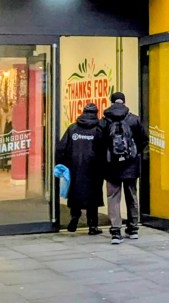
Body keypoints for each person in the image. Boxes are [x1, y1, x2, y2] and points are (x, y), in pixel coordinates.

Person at [101, 91, 148, 245]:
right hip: (131, 166)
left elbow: (99, 143)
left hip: (111, 166)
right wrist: (135, 154)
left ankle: (115, 231)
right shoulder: (134, 119)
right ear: (124, 101)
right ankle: (133, 229)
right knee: (132, 195)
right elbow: (144, 139)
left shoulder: (105, 121)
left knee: (113, 197)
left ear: (112, 102)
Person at [55, 102, 105, 235]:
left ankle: (75, 217)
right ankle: (92, 226)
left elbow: (61, 148)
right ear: (96, 114)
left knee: (75, 193)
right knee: (93, 197)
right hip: (94, 169)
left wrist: (62, 164)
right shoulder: (99, 129)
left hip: (75, 168)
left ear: (83, 112)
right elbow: (104, 150)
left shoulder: (73, 128)